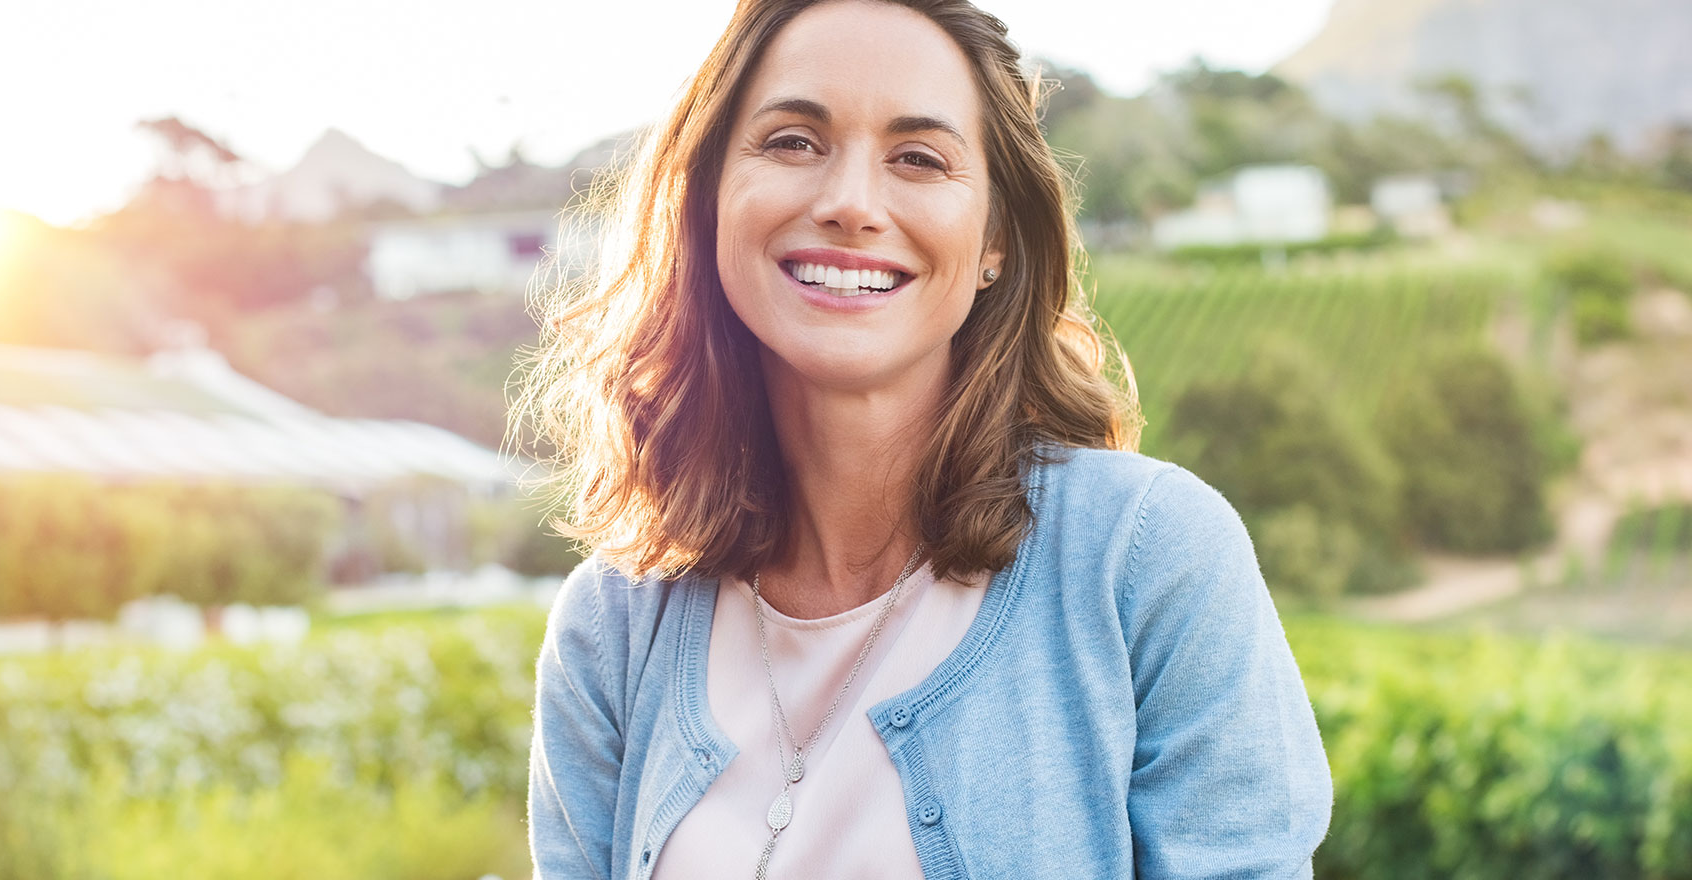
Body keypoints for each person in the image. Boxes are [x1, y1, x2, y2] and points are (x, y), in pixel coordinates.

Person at [516, 0, 1333, 876]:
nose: (851, 204)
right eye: (793, 140)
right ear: (710, 197)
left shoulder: (1148, 559)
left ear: (995, 240)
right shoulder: (612, 628)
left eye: (919, 158)